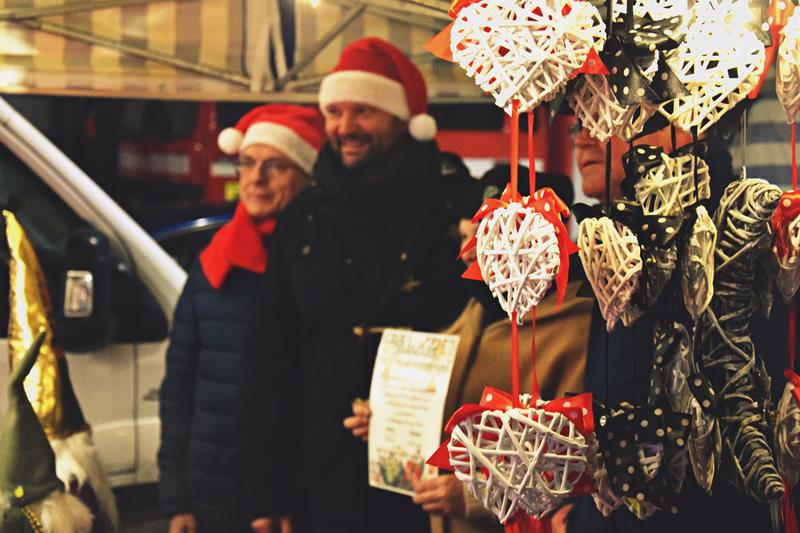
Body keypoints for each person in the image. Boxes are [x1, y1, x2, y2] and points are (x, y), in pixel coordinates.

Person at [243, 37, 473, 533]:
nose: (345, 127)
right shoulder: (302, 218)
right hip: (321, 480)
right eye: (334, 112)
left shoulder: (455, 209)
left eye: (363, 111)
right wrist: (266, 492)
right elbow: (270, 361)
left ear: (403, 118)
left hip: (432, 481)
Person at [567, 125, 800, 532]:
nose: (582, 138)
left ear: (680, 121)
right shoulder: (622, 241)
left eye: (606, 121)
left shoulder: (744, 239)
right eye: (577, 124)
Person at [346, 165, 595, 533]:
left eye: (483, 235)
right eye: (464, 237)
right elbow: (452, 413)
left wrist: (478, 496)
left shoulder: (578, 326)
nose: (466, 253)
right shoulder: (478, 309)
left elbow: (578, 457)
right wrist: (391, 421)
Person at [158, 104, 324, 533]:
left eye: (276, 166)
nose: (256, 178)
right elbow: (178, 389)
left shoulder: (323, 263)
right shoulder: (212, 263)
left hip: (294, 499)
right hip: (213, 495)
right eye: (248, 163)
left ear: (307, 176)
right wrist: (177, 500)